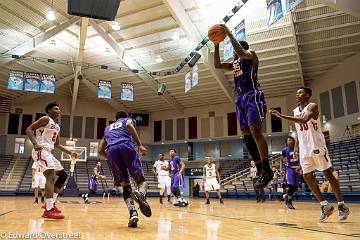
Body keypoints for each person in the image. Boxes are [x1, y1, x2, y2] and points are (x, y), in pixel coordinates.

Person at [270, 87, 350, 222]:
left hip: (317, 145)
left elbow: (304, 120)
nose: (297, 94)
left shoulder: (312, 106)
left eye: (300, 93)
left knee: (328, 174)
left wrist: (281, 116)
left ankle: (342, 205)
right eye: (296, 93)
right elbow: (299, 132)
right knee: (307, 176)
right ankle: (325, 206)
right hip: (305, 149)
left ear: (307, 95)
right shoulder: (295, 111)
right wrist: (296, 148)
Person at [214, 25, 273, 189]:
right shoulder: (235, 64)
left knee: (255, 131)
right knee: (246, 134)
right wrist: (216, 43)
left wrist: (228, 33)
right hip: (239, 98)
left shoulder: (250, 55)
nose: (233, 53)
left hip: (252, 94)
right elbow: (217, 65)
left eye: (235, 49)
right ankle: (261, 169)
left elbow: (240, 52)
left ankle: (267, 169)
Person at [99, 111, 151, 228]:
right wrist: (140, 145)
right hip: (126, 146)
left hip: (111, 150)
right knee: (141, 181)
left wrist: (111, 158)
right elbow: (129, 125)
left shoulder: (107, 128)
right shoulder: (127, 120)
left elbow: (100, 150)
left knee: (125, 185)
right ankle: (140, 194)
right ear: (125, 116)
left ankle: (133, 213)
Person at [26, 102, 77, 219]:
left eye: (59, 109)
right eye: (56, 109)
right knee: (50, 176)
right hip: (41, 150)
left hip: (48, 152)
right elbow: (29, 129)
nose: (58, 111)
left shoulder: (57, 126)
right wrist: (35, 144)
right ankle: (48, 210)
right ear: (49, 110)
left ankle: (50, 203)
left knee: (63, 175)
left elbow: (57, 144)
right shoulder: (45, 119)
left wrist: (71, 152)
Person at [281, 136, 300, 209]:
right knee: (291, 185)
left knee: (295, 186)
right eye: (288, 140)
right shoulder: (285, 150)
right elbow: (281, 160)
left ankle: (286, 196)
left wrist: (300, 167)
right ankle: (289, 202)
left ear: (293, 141)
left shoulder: (298, 149)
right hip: (289, 168)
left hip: (297, 169)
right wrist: (281, 169)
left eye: (291, 140)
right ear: (286, 142)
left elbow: (300, 158)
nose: (289, 141)